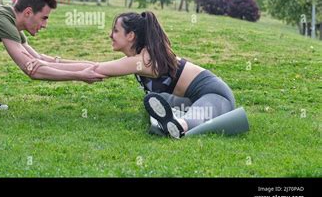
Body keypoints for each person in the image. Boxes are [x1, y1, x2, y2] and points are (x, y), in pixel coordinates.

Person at [25, 11, 236, 139]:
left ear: (131, 35)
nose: (110, 35)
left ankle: (177, 127)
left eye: (115, 31)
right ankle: (169, 118)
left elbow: (96, 70)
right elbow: (94, 66)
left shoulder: (142, 61)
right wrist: (53, 61)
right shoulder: (139, 58)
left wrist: (47, 65)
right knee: (167, 101)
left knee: (194, 116)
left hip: (217, 96)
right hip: (189, 98)